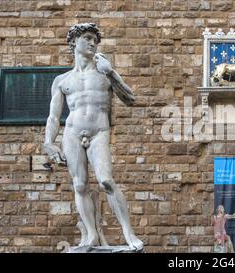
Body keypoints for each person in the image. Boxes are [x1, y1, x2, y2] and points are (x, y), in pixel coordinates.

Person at [44, 23, 142, 249]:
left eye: (95, 40)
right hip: (72, 132)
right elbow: (53, 117)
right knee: (79, 185)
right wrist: (48, 142)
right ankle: (90, 235)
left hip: (99, 132)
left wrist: (111, 72)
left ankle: (129, 234)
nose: (92, 43)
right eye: (87, 38)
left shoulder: (104, 73)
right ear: (73, 42)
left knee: (106, 180)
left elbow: (130, 99)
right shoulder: (62, 80)